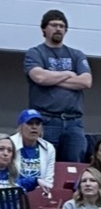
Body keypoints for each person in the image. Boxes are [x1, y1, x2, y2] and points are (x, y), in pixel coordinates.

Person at [24, 10, 91, 163]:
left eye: (62, 26)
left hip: (74, 122)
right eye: (54, 25)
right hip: (46, 121)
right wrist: (69, 73)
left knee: (73, 168)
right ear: (44, 29)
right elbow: (39, 77)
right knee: (43, 164)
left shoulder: (76, 54)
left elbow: (86, 81)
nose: (58, 28)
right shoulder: (35, 53)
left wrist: (52, 78)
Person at [10, 110, 55, 191]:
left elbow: (48, 181)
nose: (34, 127)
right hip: (13, 191)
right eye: (30, 123)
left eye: (37, 124)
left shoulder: (49, 148)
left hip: (38, 194)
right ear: (21, 126)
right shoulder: (9, 144)